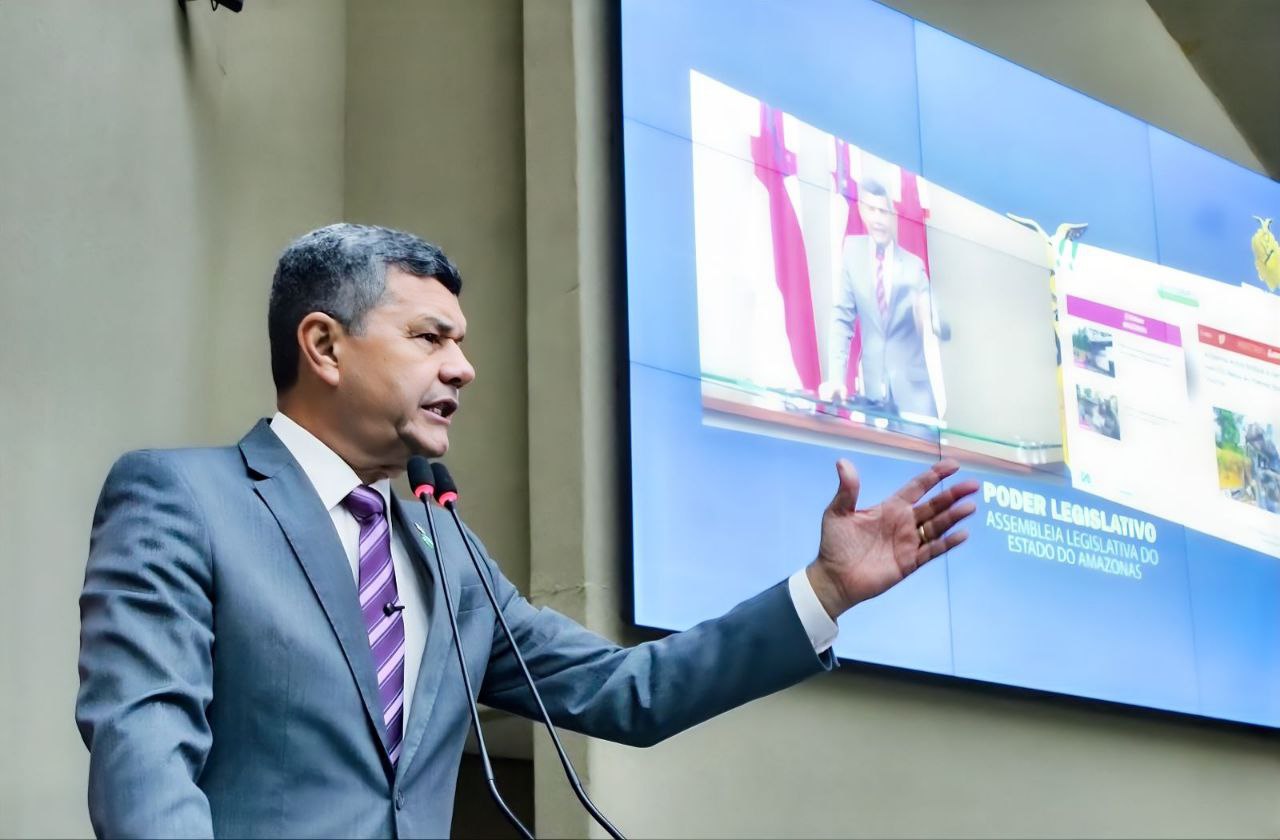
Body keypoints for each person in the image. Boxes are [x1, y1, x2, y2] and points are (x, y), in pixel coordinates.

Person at [76, 224, 978, 838]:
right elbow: (144, 755)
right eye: (430, 338)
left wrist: (824, 593)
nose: (463, 369)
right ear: (324, 346)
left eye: (461, 343)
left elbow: (628, 692)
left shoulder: (446, 554)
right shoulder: (181, 498)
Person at [820, 178, 939, 418]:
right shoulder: (852, 251)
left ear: (893, 215)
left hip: (914, 396)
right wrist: (836, 379)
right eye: (871, 210)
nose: (877, 219)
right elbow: (842, 319)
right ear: (861, 210)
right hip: (873, 395)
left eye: (883, 212)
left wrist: (929, 316)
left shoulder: (913, 265)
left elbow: (937, 320)